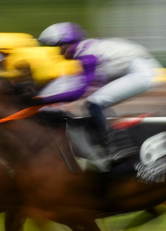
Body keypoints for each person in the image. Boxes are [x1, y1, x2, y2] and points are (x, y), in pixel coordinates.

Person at [36, 22, 162, 161]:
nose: (59, 52)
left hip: (140, 74)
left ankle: (117, 146)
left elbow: (78, 92)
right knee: (98, 101)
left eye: (60, 47)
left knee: (93, 103)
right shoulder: (87, 49)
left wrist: (43, 100)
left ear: (69, 43)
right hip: (140, 68)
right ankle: (113, 140)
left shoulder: (86, 55)